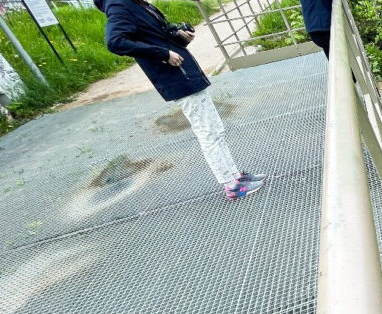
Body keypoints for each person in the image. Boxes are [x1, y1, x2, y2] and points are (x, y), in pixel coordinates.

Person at [95, 0, 265, 201]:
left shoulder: (137, 4)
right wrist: (164, 54)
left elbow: (154, 35)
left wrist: (177, 35)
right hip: (177, 77)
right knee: (208, 132)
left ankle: (235, 176)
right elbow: (115, 41)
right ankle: (231, 186)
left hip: (185, 73)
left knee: (215, 129)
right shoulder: (119, 5)